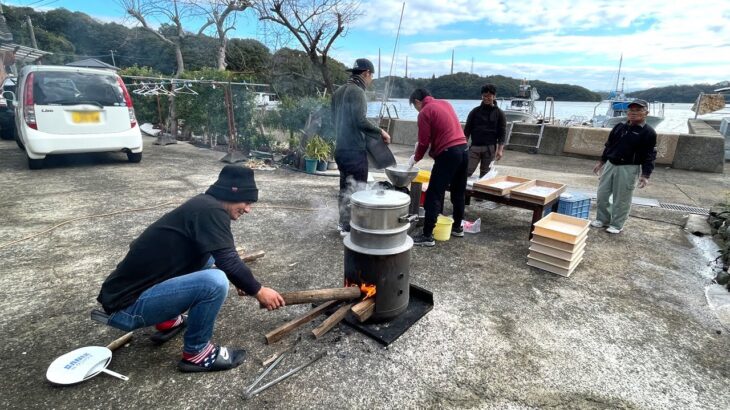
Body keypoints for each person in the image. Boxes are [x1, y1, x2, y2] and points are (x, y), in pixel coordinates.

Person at [96, 165, 285, 373]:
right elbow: (229, 262)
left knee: (209, 257)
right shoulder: (212, 211)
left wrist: (242, 280)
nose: (248, 209)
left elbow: (223, 257)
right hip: (127, 307)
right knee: (215, 282)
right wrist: (258, 290)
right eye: (247, 202)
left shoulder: (203, 205)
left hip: (125, 295)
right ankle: (197, 353)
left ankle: (168, 321)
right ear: (233, 193)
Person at [331, 58, 391, 235]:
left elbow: (334, 120)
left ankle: (343, 224)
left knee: (345, 187)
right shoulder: (357, 91)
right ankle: (351, 227)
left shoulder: (338, 91)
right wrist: (381, 132)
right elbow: (360, 120)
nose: (371, 80)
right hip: (354, 151)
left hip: (340, 149)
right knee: (358, 189)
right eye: (371, 76)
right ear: (366, 73)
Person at [407, 88, 469, 247]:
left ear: (417, 102)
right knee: (459, 192)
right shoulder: (445, 103)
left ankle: (427, 235)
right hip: (463, 149)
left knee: (434, 193)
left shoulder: (424, 112)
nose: (416, 110)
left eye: (414, 106)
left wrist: (415, 158)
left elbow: (423, 142)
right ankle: (457, 228)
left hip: (448, 153)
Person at [591, 99, 657, 234]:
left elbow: (649, 155)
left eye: (638, 110)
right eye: (631, 110)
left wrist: (645, 175)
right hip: (611, 164)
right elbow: (609, 145)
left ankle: (617, 224)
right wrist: (601, 161)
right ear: (627, 112)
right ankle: (602, 219)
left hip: (629, 167)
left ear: (646, 113)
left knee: (622, 198)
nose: (634, 113)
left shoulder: (648, 132)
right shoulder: (619, 126)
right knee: (602, 194)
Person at [463, 83, 507, 178]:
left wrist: (500, 150)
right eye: (484, 96)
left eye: (489, 96)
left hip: (490, 149)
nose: (486, 98)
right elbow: (467, 130)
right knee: (465, 171)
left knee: (485, 175)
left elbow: (502, 133)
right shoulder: (475, 111)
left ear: (494, 96)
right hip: (475, 147)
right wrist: (463, 145)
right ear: (481, 96)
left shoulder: (500, 113)